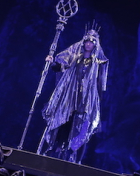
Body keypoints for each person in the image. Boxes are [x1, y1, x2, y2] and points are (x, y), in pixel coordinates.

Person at [38, 26, 109, 163]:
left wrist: (96, 100)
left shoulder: (98, 62)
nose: (88, 44)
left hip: (86, 100)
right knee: (63, 121)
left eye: (92, 42)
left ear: (95, 45)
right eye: (87, 41)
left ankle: (75, 158)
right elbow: (61, 67)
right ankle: (54, 149)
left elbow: (100, 83)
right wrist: (52, 62)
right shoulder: (75, 57)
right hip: (69, 97)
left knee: (81, 127)